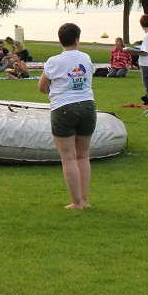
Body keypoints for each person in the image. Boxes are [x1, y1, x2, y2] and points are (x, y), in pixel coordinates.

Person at [39, 22, 97, 210]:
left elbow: (42, 86)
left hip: (63, 109)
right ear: (77, 39)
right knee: (83, 155)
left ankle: (76, 202)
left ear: (60, 40)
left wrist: (54, 90)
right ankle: (85, 200)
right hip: (87, 106)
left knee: (69, 157)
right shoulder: (86, 58)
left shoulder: (53, 62)